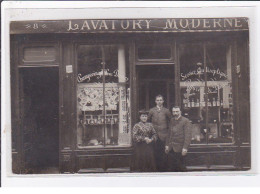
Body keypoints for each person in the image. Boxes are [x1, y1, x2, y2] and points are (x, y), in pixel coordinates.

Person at [148, 95, 172, 172]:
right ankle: (155, 169)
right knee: (154, 152)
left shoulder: (166, 111)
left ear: (163, 101)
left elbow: (170, 121)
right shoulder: (151, 110)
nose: (159, 101)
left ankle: (163, 169)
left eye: (160, 100)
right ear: (155, 101)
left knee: (163, 152)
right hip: (154, 135)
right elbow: (148, 121)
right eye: (157, 100)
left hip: (164, 135)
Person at [165, 106, 192, 172]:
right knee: (172, 168)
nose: (175, 113)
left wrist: (185, 148)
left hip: (180, 149)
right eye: (174, 112)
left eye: (177, 111)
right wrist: (167, 145)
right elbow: (169, 134)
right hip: (171, 148)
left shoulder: (185, 121)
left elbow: (188, 136)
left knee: (181, 169)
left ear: (180, 112)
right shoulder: (172, 120)